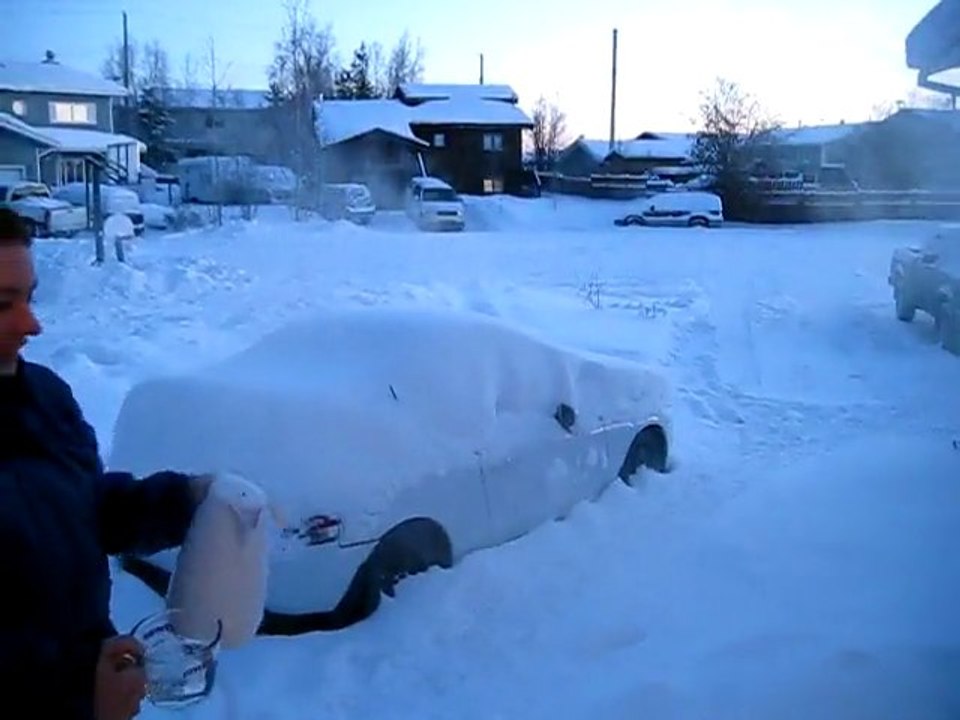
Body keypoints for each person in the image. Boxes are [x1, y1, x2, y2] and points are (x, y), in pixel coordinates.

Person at [0, 207, 210, 719]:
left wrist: (183, 501)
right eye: (2, 304)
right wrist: (76, 693)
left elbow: (82, 508)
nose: (32, 324)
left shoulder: (42, 396)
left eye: (29, 297)